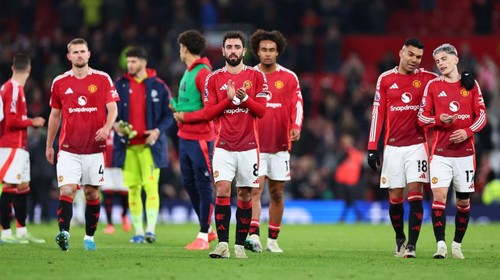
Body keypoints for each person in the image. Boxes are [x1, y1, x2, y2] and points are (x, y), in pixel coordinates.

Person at [367, 38, 438, 258]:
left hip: (417, 146)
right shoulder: (385, 79)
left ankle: (412, 246)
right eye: (411, 55)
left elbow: (450, 84)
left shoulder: (428, 79)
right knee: (395, 198)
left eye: (418, 57)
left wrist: (468, 81)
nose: (414, 60)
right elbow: (378, 114)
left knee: (415, 193)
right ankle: (400, 238)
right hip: (392, 147)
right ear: (401, 53)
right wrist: (372, 146)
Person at [46, 38, 119, 251]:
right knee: (67, 190)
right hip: (68, 148)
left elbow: (113, 108)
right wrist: (49, 145)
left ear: (89, 54)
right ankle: (64, 234)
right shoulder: (59, 82)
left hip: (94, 149)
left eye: (82, 51)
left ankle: (89, 237)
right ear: (69, 56)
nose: (79, 55)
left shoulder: (102, 79)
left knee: (91, 193)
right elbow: (54, 115)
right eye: (75, 52)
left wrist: (106, 128)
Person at [418, 43, 488, 259]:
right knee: (438, 197)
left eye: (444, 59)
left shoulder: (471, 84)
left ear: (456, 59)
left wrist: (467, 132)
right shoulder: (432, 86)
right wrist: (439, 119)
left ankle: (457, 244)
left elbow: (482, 117)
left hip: (466, 155)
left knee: (463, 202)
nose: (441, 64)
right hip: (440, 153)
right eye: (438, 61)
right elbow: (421, 117)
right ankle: (441, 245)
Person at [204, 30, 268, 259]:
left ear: (244, 50)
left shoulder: (257, 76)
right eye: (229, 47)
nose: (233, 51)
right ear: (223, 51)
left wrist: (244, 99)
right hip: (223, 146)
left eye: (236, 47)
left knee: (245, 194)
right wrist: (228, 100)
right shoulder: (213, 79)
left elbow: (261, 111)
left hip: (250, 147)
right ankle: (222, 244)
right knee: (222, 190)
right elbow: (208, 113)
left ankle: (240, 245)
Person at [244, 29, 303, 253]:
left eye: (271, 50)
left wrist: (296, 126)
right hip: (254, 144)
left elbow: (297, 104)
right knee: (255, 190)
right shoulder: (249, 76)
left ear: (278, 52)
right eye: (263, 50)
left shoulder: (289, 77)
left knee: (277, 192)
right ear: (257, 52)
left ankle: (272, 239)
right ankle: (253, 235)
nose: (267, 54)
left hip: (280, 145)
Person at [113, 47, 174, 244]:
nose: (129, 65)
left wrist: (157, 131)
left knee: (150, 187)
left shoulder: (158, 86)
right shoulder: (119, 85)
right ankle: (138, 230)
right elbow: (109, 111)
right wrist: (114, 124)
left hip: (150, 147)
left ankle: (151, 230)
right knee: (132, 189)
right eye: (128, 62)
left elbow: (170, 114)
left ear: (143, 62)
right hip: (128, 146)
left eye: (133, 61)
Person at [171, 30, 217, 250]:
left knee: (203, 184)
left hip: (200, 138)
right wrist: (177, 108)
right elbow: (191, 103)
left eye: (180, 47)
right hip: (185, 137)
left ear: (185, 48)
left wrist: (184, 116)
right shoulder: (188, 72)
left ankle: (203, 234)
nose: (179, 51)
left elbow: (211, 110)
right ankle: (207, 230)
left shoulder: (203, 73)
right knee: (189, 184)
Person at [0, 53, 46, 244]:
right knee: (10, 187)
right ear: (29, 69)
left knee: (23, 188)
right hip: (11, 145)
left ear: (13, 68)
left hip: (20, 146)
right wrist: (32, 121)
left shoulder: (13, 88)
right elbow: (11, 120)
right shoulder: (12, 89)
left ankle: (22, 232)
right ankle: (5, 234)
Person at [102, 130, 131, 234]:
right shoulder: (104, 129)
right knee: (107, 194)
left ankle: (124, 215)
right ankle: (110, 224)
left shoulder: (123, 128)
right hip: (107, 167)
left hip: (121, 167)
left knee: (125, 195)